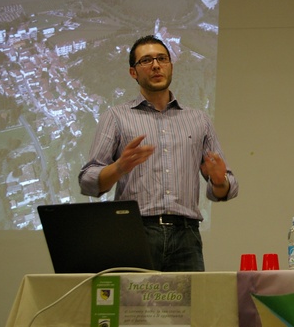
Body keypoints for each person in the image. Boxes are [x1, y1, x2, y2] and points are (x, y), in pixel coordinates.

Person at [79, 35, 239, 272]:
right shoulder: (116, 117)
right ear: (133, 72)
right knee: (133, 309)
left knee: (189, 309)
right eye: (146, 61)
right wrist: (119, 168)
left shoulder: (198, 120)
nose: (156, 65)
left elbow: (227, 189)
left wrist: (219, 180)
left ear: (170, 66)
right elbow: (88, 182)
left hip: (187, 235)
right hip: (135, 232)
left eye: (162, 58)